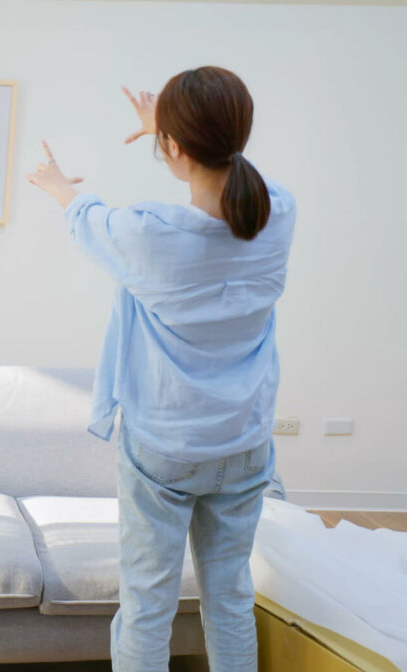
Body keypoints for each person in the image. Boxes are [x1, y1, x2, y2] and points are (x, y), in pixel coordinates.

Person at [27, 67, 296, 672]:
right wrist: (172, 130)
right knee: (229, 598)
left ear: (172, 148)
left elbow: (85, 215)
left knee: (147, 603)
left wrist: (54, 182)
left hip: (166, 448)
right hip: (247, 441)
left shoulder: (150, 234)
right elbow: (233, 179)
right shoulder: (279, 214)